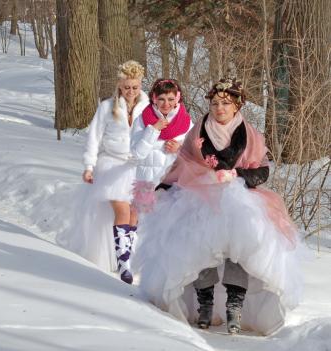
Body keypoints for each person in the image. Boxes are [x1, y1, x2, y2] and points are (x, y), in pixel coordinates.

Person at [133, 78, 304, 335]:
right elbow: (184, 161)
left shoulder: (250, 134)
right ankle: (205, 303)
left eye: (225, 103)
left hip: (239, 196)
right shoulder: (199, 129)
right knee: (197, 245)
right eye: (214, 103)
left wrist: (236, 175)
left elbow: (261, 171)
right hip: (200, 195)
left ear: (236, 106)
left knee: (241, 246)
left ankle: (235, 306)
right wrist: (165, 187)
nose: (219, 108)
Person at [56, 60, 149, 284]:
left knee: (135, 212)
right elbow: (94, 137)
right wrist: (89, 165)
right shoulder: (107, 107)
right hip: (111, 164)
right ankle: (123, 261)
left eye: (135, 87)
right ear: (119, 84)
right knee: (122, 209)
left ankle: (130, 255)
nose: (131, 91)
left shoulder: (148, 107)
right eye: (126, 86)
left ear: (140, 85)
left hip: (137, 166)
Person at [130, 79, 192, 213]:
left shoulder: (186, 122)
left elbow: (194, 154)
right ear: (154, 98)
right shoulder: (141, 121)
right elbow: (136, 154)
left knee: (169, 228)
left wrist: (179, 149)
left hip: (174, 185)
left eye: (171, 99)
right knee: (143, 228)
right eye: (161, 99)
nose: (166, 104)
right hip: (147, 184)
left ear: (177, 99)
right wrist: (153, 130)